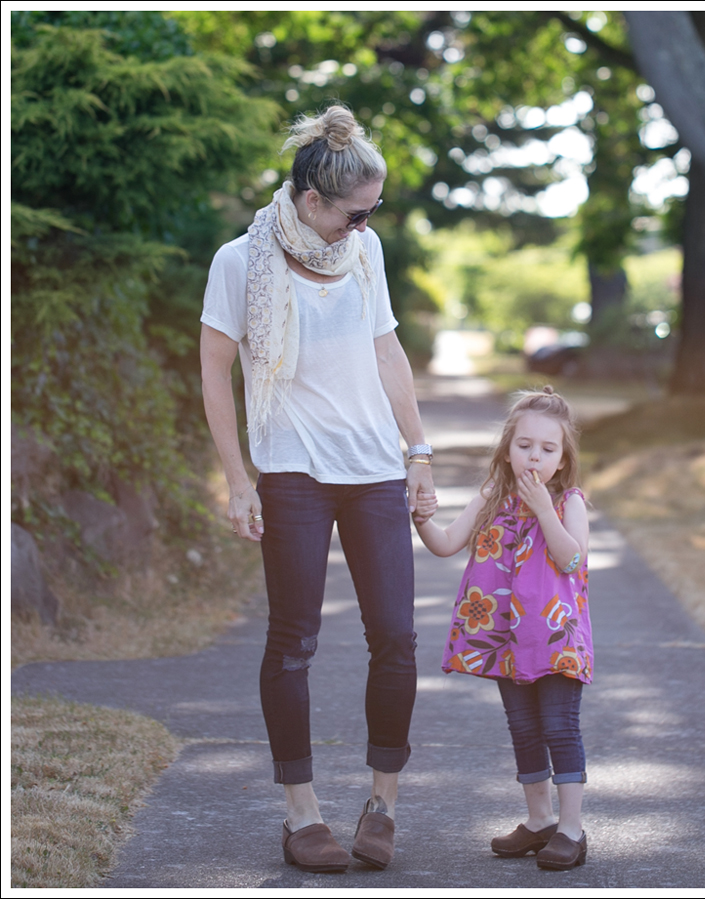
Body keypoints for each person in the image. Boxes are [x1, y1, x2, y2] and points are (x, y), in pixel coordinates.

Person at [200, 104, 434, 873]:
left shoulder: (364, 253)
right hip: (293, 470)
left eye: (373, 210)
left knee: (395, 636)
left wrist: (419, 452)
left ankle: (382, 804)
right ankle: (301, 814)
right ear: (311, 201)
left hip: (372, 469)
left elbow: (388, 351)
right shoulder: (240, 262)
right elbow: (215, 373)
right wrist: (237, 478)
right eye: (354, 213)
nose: (365, 225)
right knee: (293, 641)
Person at [413, 387, 592, 870]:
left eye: (547, 449)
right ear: (508, 449)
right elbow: (446, 543)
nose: (534, 456)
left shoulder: (569, 501)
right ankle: (540, 821)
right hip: (505, 638)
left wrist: (543, 510)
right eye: (524, 445)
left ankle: (571, 829)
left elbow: (572, 559)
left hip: (554, 637)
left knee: (559, 726)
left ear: (562, 458)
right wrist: (422, 518)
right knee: (523, 727)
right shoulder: (492, 497)